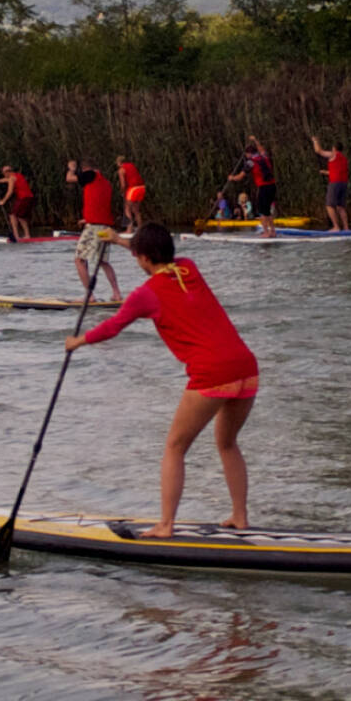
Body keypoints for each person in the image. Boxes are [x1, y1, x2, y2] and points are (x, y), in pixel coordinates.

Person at [65, 224, 257, 538]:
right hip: (246, 368)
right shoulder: (188, 267)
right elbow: (155, 253)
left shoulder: (146, 294)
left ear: (142, 258)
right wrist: (120, 241)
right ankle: (240, 517)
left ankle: (166, 525)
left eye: (136, 255)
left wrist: (79, 341)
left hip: (212, 374)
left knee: (175, 447)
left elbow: (113, 326)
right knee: (227, 442)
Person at [65, 159, 121, 301]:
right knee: (103, 261)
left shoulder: (90, 174)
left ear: (85, 169)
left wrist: (71, 168)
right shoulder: (104, 182)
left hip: (95, 227)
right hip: (105, 226)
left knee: (79, 260)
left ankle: (89, 296)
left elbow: (69, 179)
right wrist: (86, 218)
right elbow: (98, 203)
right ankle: (116, 293)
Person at [228, 138, 277, 237]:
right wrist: (255, 140)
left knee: (262, 211)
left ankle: (266, 232)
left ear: (249, 154)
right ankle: (272, 231)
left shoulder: (250, 162)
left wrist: (231, 178)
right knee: (267, 210)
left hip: (264, 187)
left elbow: (240, 177)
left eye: (246, 155)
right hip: (272, 186)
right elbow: (262, 149)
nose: (246, 156)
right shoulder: (264, 157)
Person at [311, 136, 350, 231]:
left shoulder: (333, 154)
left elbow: (318, 151)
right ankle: (346, 227)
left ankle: (336, 227)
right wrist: (324, 172)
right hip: (343, 183)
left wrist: (315, 141)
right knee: (341, 207)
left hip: (335, 184)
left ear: (334, 148)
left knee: (329, 206)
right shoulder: (344, 158)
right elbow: (336, 171)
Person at [0, 165, 35, 240]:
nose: (3, 174)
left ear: (8, 172)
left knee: (13, 216)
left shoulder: (12, 178)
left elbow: (10, 191)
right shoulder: (17, 175)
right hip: (29, 198)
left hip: (23, 198)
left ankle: (16, 236)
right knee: (21, 217)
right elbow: (6, 180)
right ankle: (27, 235)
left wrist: (3, 201)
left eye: (4, 173)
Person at [116, 155, 147, 230]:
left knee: (127, 209)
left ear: (119, 162)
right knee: (136, 210)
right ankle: (140, 229)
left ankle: (129, 229)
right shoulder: (132, 165)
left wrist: (122, 192)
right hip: (142, 187)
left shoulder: (121, 170)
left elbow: (123, 184)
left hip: (133, 189)